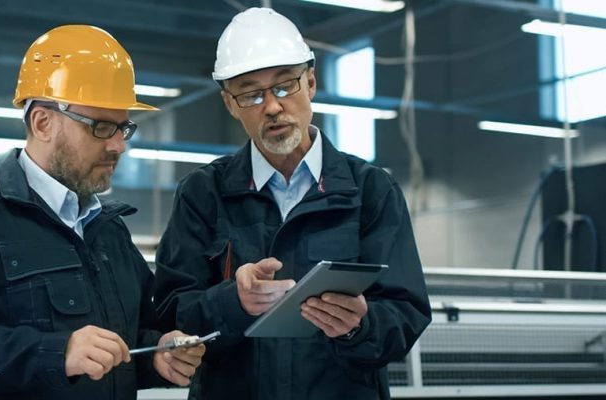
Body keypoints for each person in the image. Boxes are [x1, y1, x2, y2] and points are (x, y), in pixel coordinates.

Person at [0, 25, 205, 400]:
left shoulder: (109, 231)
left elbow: (129, 340)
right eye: (102, 127)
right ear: (42, 122)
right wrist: (55, 353)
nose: (119, 145)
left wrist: (157, 356)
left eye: (123, 128)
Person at [152, 8, 431, 400]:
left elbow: (407, 314)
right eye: (250, 94)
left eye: (284, 86)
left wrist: (359, 326)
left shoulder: (370, 191)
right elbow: (168, 314)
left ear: (311, 83)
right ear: (231, 104)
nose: (271, 106)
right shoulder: (202, 194)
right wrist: (233, 302)